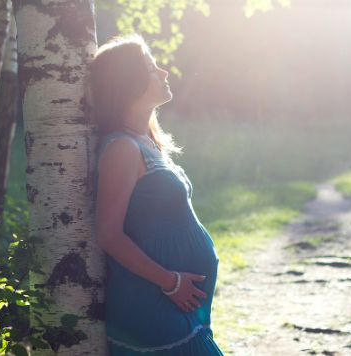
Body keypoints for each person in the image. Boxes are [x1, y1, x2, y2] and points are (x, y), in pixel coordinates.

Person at [91, 33, 224, 356]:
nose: (163, 73)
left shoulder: (146, 142)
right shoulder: (122, 147)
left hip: (176, 305)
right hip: (153, 302)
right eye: (151, 68)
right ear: (128, 82)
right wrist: (170, 281)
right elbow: (108, 234)